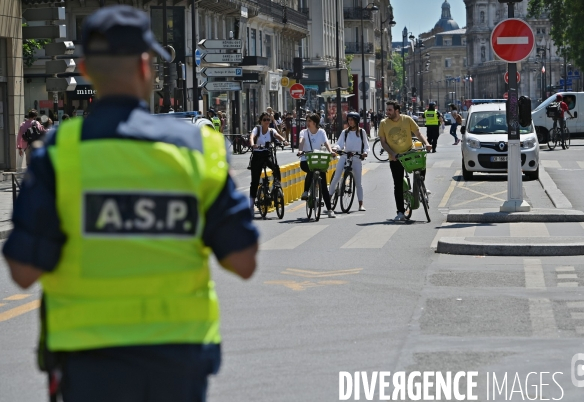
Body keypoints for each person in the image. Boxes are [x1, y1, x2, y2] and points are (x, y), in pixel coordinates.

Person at [2, 6, 258, 402]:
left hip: (88, 361)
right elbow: (243, 260)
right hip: (179, 357)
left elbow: (22, 271)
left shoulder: (59, 153)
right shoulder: (196, 150)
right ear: (145, 67)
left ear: (85, 69)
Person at [378, 100, 431, 221]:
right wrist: (393, 153)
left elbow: (418, 133)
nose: (387, 112)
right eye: (387, 110)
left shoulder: (407, 119)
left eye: (390, 110)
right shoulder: (383, 123)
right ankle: (400, 212)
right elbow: (383, 142)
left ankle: (422, 185)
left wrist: (427, 143)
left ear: (397, 111)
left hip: (409, 153)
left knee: (421, 163)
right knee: (398, 185)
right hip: (395, 157)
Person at [298, 113, 337, 218]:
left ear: (315, 123)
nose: (307, 123)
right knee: (311, 169)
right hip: (306, 160)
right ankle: (306, 192)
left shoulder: (321, 132)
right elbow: (301, 141)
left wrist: (330, 151)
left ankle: (329, 210)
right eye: (307, 121)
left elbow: (326, 143)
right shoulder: (304, 132)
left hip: (318, 161)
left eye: (309, 121)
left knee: (324, 185)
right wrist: (300, 150)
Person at [329, 112, 369, 211]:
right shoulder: (345, 132)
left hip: (356, 157)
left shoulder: (362, 132)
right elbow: (339, 144)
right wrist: (335, 148)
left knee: (358, 183)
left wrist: (365, 153)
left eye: (352, 120)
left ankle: (361, 204)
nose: (350, 122)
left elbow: (367, 146)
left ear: (357, 121)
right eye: (349, 120)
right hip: (345, 156)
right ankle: (328, 198)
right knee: (336, 177)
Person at [248, 111, 288, 210]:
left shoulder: (271, 131)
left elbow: (278, 136)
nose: (267, 121)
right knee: (255, 181)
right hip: (257, 155)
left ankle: (276, 184)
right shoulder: (257, 129)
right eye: (264, 120)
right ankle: (251, 205)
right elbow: (251, 137)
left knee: (276, 167)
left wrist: (284, 141)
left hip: (267, 154)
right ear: (261, 121)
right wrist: (253, 144)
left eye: (268, 120)